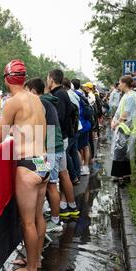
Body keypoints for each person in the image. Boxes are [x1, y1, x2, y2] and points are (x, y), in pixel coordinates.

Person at [0, 60, 50, 271]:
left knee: (27, 222)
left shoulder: (12, 102)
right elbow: (27, 131)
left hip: (27, 167)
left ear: (7, 79)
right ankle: (35, 259)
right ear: (24, 77)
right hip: (43, 162)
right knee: (38, 217)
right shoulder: (36, 100)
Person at [24, 78, 64, 234]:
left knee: (51, 185)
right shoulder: (47, 102)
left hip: (50, 149)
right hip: (54, 147)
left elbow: (47, 130)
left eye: (26, 92)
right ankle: (52, 217)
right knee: (48, 184)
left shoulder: (40, 104)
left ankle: (55, 221)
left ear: (33, 91)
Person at [47, 70, 80, 219]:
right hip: (62, 140)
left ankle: (56, 216)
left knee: (51, 181)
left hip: (55, 142)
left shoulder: (57, 95)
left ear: (52, 79)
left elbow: (57, 119)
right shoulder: (63, 93)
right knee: (64, 173)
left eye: (48, 78)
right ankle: (70, 206)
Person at [111, 75, 136, 184]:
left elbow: (126, 113)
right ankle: (125, 175)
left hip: (125, 127)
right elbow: (119, 111)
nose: (119, 85)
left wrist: (116, 123)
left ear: (125, 84)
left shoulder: (130, 96)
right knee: (123, 152)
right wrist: (114, 120)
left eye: (120, 83)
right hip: (123, 126)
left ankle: (119, 176)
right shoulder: (127, 95)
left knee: (119, 151)